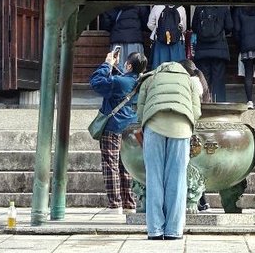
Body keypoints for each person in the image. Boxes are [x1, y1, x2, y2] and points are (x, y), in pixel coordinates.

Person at [136, 60, 201, 240]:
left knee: (154, 177)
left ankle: (155, 230)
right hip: (181, 128)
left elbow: (140, 109)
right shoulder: (189, 80)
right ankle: (174, 230)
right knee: (178, 179)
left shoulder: (151, 78)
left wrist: (146, 125)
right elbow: (197, 110)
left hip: (154, 125)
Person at [89, 49, 147, 215]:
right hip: (133, 128)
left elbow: (96, 81)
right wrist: (115, 68)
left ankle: (115, 204)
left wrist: (107, 63)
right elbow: (126, 78)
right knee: (128, 165)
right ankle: (129, 202)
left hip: (114, 126)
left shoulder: (119, 82)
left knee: (111, 164)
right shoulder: (142, 82)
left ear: (128, 65)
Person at [182, 59, 213, 212]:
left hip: (190, 126)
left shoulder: (191, 82)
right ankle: (202, 200)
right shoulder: (200, 80)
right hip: (202, 127)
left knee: (191, 167)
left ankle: (197, 200)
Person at [190, 5, 232, 102]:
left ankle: (203, 104)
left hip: (202, 50)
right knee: (218, 81)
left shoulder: (200, 7)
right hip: (219, 50)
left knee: (204, 80)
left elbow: (194, 27)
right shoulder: (223, 7)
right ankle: (219, 104)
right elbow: (229, 26)